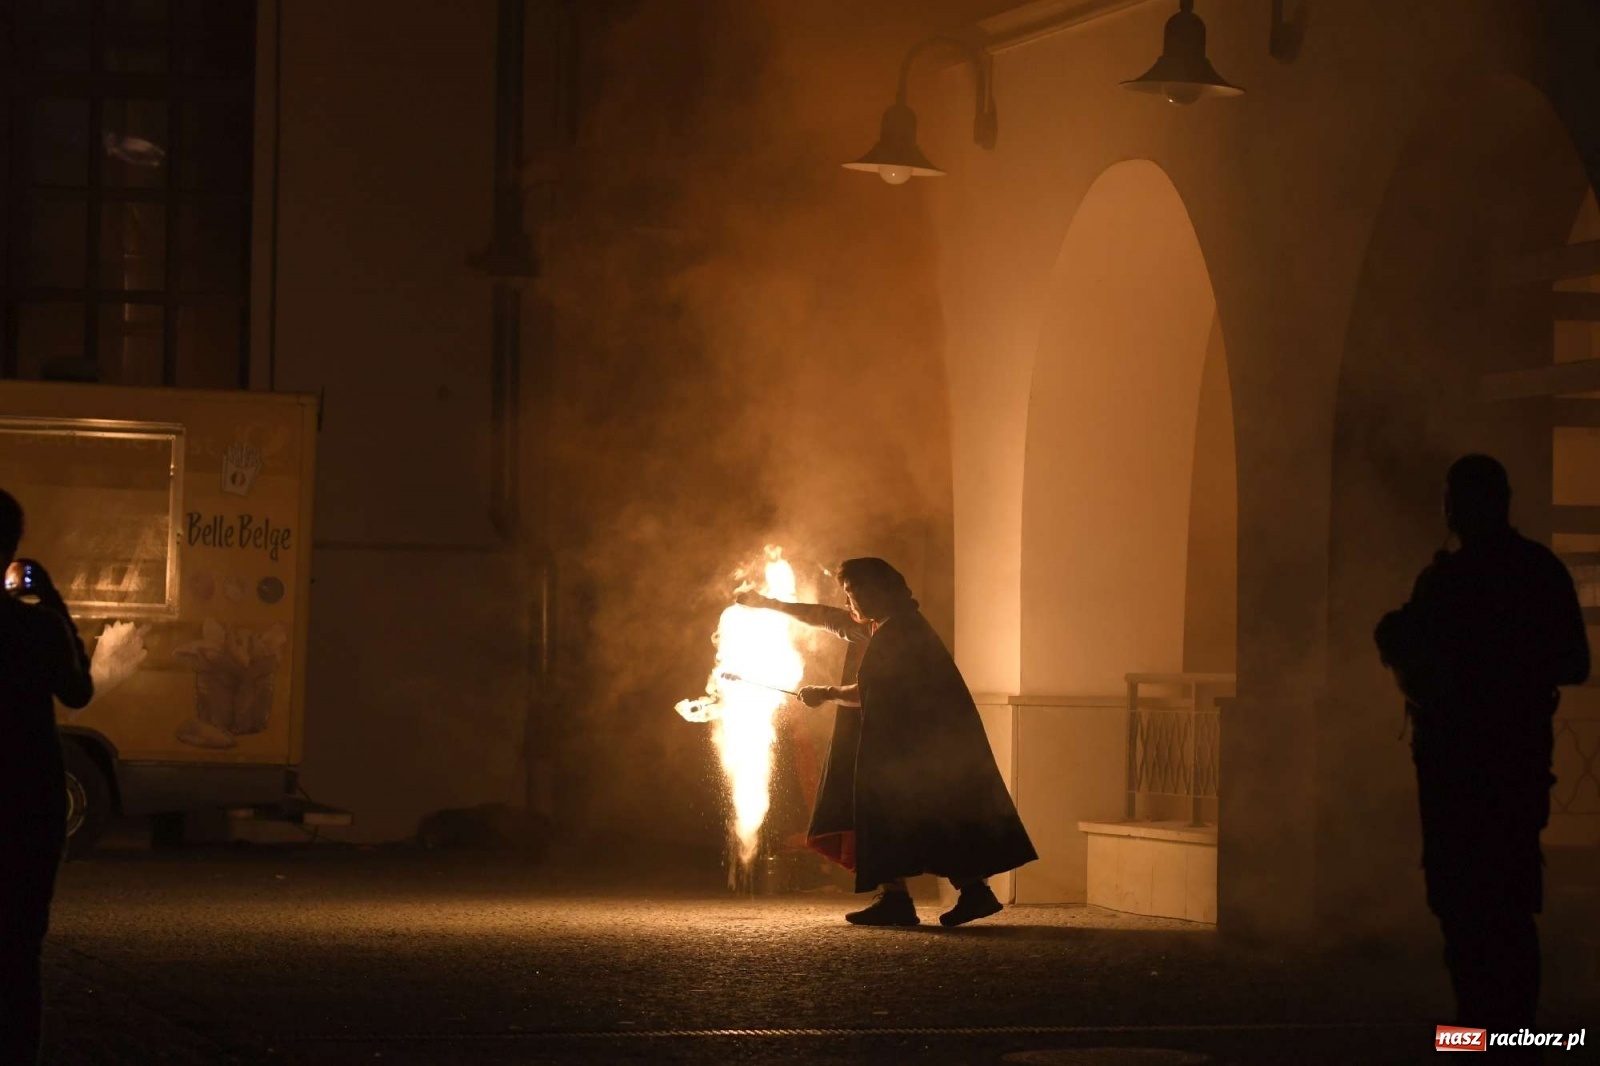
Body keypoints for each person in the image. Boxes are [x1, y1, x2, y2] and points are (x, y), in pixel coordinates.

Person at [1374, 455, 1588, 1037]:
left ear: (1456, 506)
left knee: (1463, 907)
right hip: (1515, 761)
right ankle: (1513, 1035)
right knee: (1507, 907)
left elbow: (1418, 660)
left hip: (1454, 765)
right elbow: (1575, 663)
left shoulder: (1445, 580)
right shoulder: (1537, 571)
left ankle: (1481, 1036)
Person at [739, 557, 1036, 927]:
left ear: (874, 591)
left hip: (918, 750)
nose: (849, 604)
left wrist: (825, 693)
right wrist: (771, 605)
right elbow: (827, 618)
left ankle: (924, 897)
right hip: (917, 747)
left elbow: (867, 692)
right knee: (920, 818)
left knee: (914, 815)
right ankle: (919, 896)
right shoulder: (888, 625)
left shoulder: (899, 633)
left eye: (851, 594)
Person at [0, 490, 94, 1065]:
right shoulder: (37, 630)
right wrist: (51, 596)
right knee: (18, 953)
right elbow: (78, 691)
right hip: (27, 802)